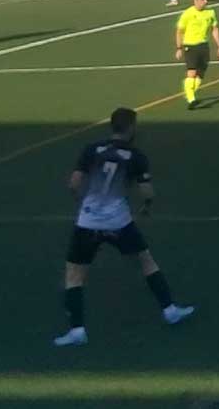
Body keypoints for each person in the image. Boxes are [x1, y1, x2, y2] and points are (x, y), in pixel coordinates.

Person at [53, 107, 196, 347]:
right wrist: (147, 205)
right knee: (146, 262)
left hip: (88, 222)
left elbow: (74, 183)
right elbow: (147, 192)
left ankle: (77, 331)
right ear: (130, 127)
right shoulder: (136, 156)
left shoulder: (92, 150)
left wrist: (83, 202)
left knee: (74, 275)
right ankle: (169, 310)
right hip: (119, 221)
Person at [173, 0, 219, 109]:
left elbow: (215, 29)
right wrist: (179, 48)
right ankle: (191, 100)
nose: (206, 1)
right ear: (195, 0)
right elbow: (179, 32)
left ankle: (189, 93)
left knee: (200, 74)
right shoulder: (187, 14)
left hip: (203, 46)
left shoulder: (210, 13)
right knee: (191, 72)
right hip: (190, 46)